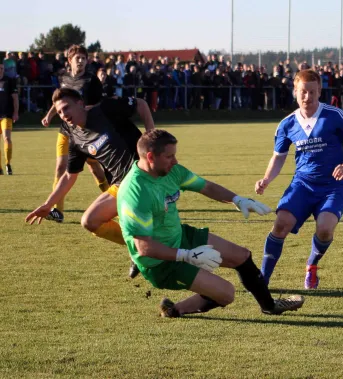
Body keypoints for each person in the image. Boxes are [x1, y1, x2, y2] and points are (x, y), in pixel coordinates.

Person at [117, 129, 305, 317]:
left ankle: (270, 306)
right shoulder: (136, 193)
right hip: (160, 263)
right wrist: (187, 255)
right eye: (169, 156)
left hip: (181, 236)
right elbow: (144, 248)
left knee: (242, 256)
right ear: (150, 157)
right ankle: (176, 310)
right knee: (227, 294)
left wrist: (238, 200)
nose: (175, 161)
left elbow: (206, 186)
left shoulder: (172, 172)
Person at [255, 69, 343, 289]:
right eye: (303, 92)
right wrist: (266, 179)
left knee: (324, 229)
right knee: (281, 224)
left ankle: (312, 266)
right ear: (295, 91)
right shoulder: (287, 124)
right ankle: (262, 279)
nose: (308, 97)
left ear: (319, 91)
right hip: (302, 185)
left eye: (312, 92)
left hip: (332, 187)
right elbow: (278, 157)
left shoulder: (334, 115)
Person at [26, 88, 155, 252]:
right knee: (90, 220)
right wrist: (48, 204)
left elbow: (141, 104)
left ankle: (153, 247)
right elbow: (69, 176)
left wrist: (151, 136)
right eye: (59, 112)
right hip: (120, 185)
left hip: (143, 174)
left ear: (80, 103)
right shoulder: (76, 140)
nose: (63, 114)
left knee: (147, 225)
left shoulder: (105, 109)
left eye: (66, 107)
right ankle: (138, 246)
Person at [41, 45, 107, 221]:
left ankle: (117, 200)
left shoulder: (92, 81)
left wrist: (84, 110)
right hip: (65, 130)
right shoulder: (63, 77)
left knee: (96, 170)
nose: (81, 61)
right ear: (69, 61)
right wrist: (49, 115)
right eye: (77, 58)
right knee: (60, 168)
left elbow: (100, 105)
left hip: (85, 132)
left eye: (84, 58)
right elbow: (58, 102)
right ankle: (58, 211)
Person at [0, 62, 19, 175]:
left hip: (6, 115)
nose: (1, 70)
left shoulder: (9, 81)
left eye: (2, 68)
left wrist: (15, 112)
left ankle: (8, 164)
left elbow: (15, 98)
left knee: (6, 138)